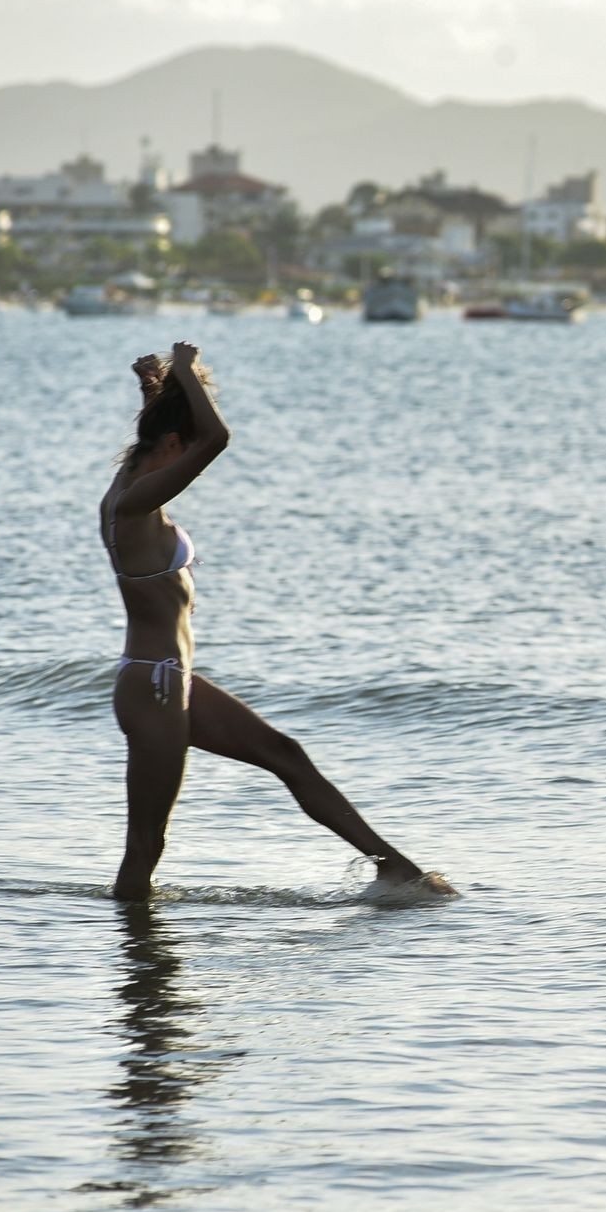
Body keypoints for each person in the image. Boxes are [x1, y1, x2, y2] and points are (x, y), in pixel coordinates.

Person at [101, 343, 452, 901]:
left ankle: (396, 869)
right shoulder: (132, 505)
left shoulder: (133, 483)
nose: (188, 466)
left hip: (172, 680)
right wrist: (186, 372)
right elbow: (216, 439)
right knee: (146, 846)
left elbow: (166, 433)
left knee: (285, 754)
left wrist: (156, 386)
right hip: (156, 687)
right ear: (170, 446)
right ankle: (136, 946)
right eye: (181, 452)